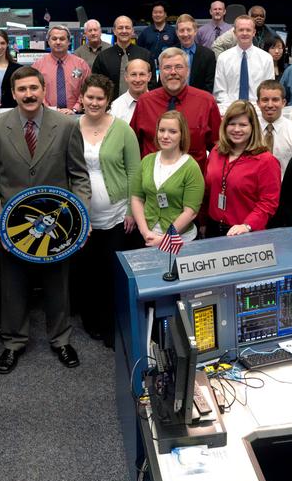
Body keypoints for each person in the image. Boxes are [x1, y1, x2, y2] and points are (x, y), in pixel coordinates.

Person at [0, 66, 90, 374]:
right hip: (12, 225)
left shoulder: (67, 125)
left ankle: (61, 339)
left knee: (58, 284)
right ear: (13, 94)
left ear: (44, 89)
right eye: (21, 90)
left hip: (58, 224)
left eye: (33, 88)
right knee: (13, 285)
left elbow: (78, 175)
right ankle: (13, 342)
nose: (28, 94)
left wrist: (79, 215)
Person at [70, 75, 141, 346]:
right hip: (82, 214)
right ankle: (92, 322)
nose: (95, 102)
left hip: (117, 214)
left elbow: (134, 170)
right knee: (88, 271)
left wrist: (132, 211)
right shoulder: (72, 127)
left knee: (111, 271)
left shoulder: (123, 129)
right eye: (90, 97)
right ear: (83, 98)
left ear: (108, 100)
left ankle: (113, 325)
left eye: (100, 98)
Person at [132, 47, 220, 171]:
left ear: (188, 71)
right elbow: (133, 146)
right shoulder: (145, 102)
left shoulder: (206, 102)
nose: (173, 72)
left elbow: (217, 147)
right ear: (160, 72)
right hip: (151, 182)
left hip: (192, 183)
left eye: (179, 67)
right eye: (167, 67)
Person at [203, 100, 281, 237]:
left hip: (245, 233)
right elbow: (207, 191)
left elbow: (268, 203)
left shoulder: (266, 161)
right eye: (232, 124)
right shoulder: (216, 151)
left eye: (243, 125)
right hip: (213, 228)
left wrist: (248, 225)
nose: (237, 129)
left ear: (253, 127)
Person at [132, 111, 206, 245]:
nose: (165, 136)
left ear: (182, 135)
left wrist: (164, 239)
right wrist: (145, 232)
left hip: (179, 241)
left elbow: (190, 212)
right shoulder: (147, 161)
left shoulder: (191, 167)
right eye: (161, 130)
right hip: (147, 237)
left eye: (172, 131)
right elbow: (137, 198)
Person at [213, 15, 272, 110]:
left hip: (258, 111)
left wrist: (255, 109)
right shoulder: (223, 58)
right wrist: (234, 109)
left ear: (254, 32)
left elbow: (268, 90)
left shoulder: (266, 58)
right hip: (229, 110)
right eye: (241, 30)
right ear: (235, 32)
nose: (244, 33)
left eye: (248, 30)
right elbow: (220, 91)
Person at [94, 16, 153, 96]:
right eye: (120, 28)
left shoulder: (145, 55)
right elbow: (96, 85)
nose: (124, 31)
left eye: (127, 28)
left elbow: (152, 85)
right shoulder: (103, 57)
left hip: (141, 104)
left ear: (132, 31)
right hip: (111, 106)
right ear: (114, 31)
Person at [39, 25, 91, 114]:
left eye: (62, 39)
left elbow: (88, 89)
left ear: (69, 42)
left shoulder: (81, 65)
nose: (58, 42)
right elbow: (35, 91)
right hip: (46, 115)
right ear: (48, 42)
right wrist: (49, 110)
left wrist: (74, 109)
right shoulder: (38, 66)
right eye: (54, 39)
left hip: (75, 115)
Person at [256, 79, 292, 174]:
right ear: (258, 103)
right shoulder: (250, 130)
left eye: (275, 100)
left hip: (284, 186)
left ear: (283, 102)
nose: (270, 105)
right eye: (265, 100)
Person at [176, 13, 217, 92]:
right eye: (181, 30)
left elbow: (210, 85)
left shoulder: (208, 55)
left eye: (189, 30)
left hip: (199, 100)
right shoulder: (169, 54)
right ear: (177, 33)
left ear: (195, 31)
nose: (185, 34)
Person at [110, 57, 151, 125]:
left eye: (142, 74)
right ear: (126, 77)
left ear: (149, 76)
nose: (137, 80)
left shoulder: (158, 103)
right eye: (133, 74)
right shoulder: (115, 107)